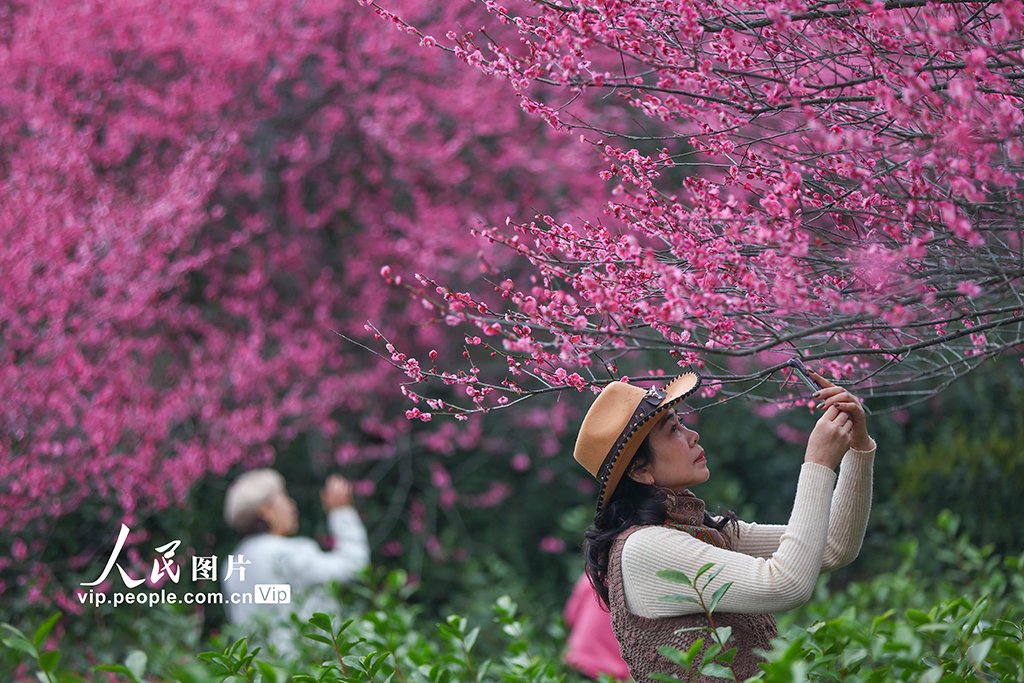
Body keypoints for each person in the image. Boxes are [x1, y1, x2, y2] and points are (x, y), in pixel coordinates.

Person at [574, 371, 874, 683]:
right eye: (673, 430)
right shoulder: (644, 548)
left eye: (682, 423)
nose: (693, 436)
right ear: (640, 470)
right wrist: (818, 463)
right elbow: (786, 585)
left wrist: (858, 445)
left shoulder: (697, 531)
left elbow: (832, 547)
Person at [221, 469, 370, 651]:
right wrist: (342, 512)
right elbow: (354, 566)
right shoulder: (288, 553)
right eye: (284, 496)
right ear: (266, 511)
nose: (292, 505)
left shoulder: (232, 564)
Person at [563, 573, 631, 681]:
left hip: (581, 661)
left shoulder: (593, 575)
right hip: (616, 672)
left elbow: (570, 616)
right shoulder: (632, 584)